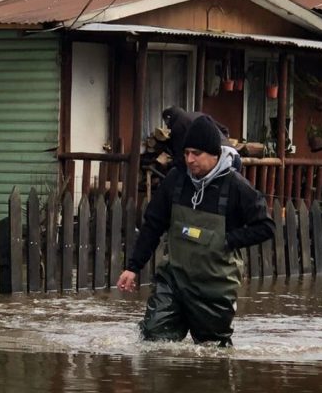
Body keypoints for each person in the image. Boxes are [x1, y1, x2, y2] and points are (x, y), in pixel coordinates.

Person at [116, 115, 275, 347]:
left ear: (214, 154)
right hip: (174, 280)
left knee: (212, 354)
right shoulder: (175, 180)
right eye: (186, 152)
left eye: (196, 154)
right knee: (153, 341)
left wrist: (228, 239)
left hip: (214, 287)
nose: (190, 159)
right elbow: (153, 225)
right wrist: (133, 267)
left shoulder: (237, 186)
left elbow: (266, 227)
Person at [162, 107, 241, 172]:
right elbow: (224, 130)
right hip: (234, 155)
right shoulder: (199, 115)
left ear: (168, 119)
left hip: (218, 162)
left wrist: (169, 166)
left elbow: (179, 156)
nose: (167, 126)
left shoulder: (178, 126)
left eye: (166, 122)